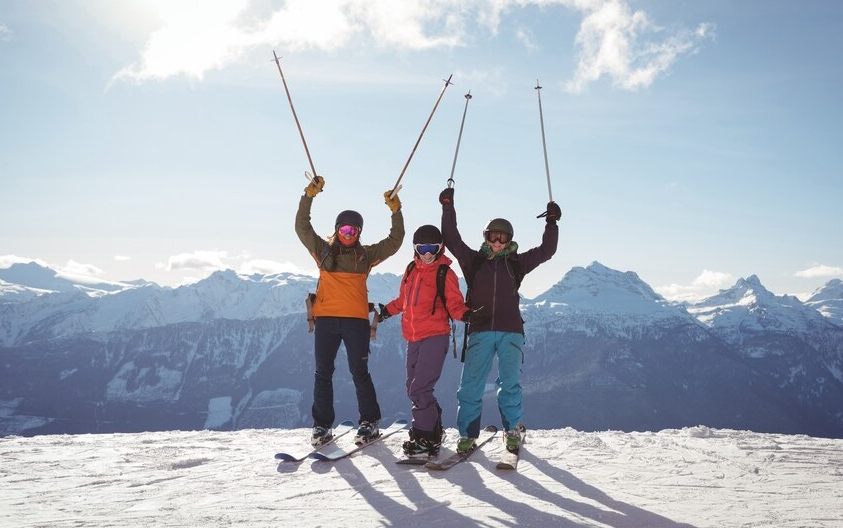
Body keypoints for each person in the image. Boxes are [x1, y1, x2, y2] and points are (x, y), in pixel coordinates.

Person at [439, 186, 560, 453]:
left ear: (509, 240)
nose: (497, 242)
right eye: (493, 237)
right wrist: (448, 207)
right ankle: (467, 435)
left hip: (511, 332)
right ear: (486, 238)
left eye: (502, 238)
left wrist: (551, 223)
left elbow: (546, 251)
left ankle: (512, 430)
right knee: (470, 386)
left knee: (509, 384)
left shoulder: (516, 263)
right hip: (480, 330)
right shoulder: (473, 261)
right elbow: (451, 237)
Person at [295, 175, 404, 446]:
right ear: (336, 230)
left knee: (359, 372)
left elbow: (395, 241)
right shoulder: (322, 251)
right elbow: (302, 228)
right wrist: (308, 196)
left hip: (355, 322)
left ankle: (369, 421)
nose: (348, 235)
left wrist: (396, 211)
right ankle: (322, 426)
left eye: (353, 231)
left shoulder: (365, 256)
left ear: (359, 233)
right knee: (323, 373)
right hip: (328, 320)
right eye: (344, 230)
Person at [378, 225, 477, 457]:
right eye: (423, 248)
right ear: (416, 248)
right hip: (413, 337)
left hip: (435, 336)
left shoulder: (445, 273)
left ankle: (424, 437)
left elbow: (454, 304)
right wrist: (385, 312)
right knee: (412, 387)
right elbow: (404, 300)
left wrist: (467, 315)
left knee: (420, 387)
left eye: (433, 248)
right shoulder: (411, 269)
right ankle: (432, 430)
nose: (428, 253)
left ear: (440, 247)